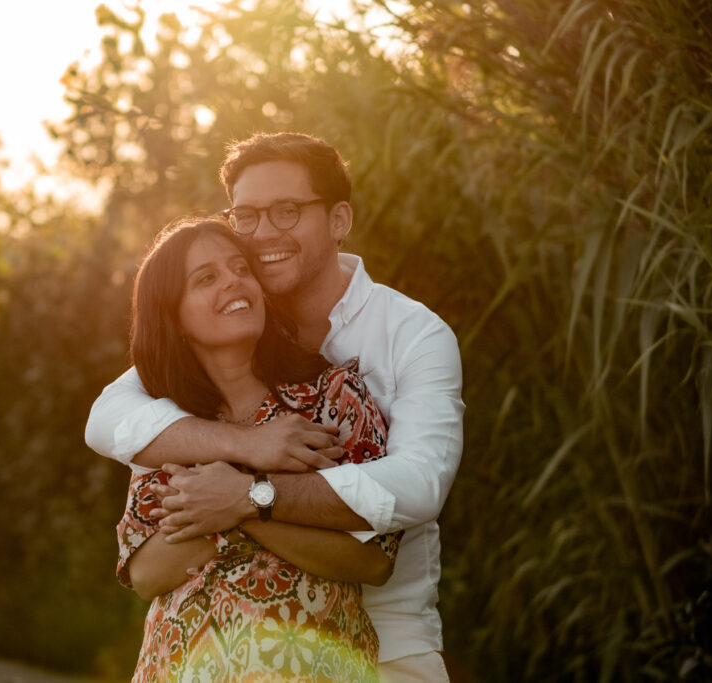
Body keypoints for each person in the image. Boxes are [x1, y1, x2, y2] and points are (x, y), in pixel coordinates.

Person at [86, 132, 464, 682]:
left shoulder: (411, 337)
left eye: (286, 212)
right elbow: (106, 419)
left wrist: (245, 499)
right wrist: (244, 447)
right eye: (246, 216)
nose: (262, 235)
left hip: (386, 643)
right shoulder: (189, 393)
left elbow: (419, 486)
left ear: (339, 220)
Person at [115, 216, 401, 681]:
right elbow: (146, 571)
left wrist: (241, 501)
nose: (234, 280)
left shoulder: (333, 395)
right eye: (206, 278)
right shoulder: (168, 425)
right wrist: (258, 512)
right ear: (175, 317)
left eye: (240, 268)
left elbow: (372, 558)